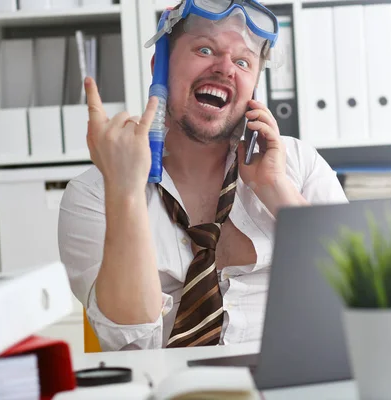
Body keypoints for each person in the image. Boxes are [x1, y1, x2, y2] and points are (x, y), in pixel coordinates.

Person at [58, 0, 348, 352]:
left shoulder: (296, 164)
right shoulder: (94, 193)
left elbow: (358, 285)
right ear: (159, 67)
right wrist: (126, 193)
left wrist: (275, 188)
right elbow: (125, 336)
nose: (226, 69)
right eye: (205, 49)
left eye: (243, 61)